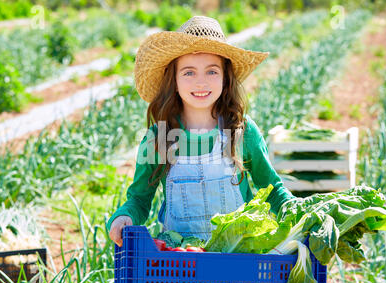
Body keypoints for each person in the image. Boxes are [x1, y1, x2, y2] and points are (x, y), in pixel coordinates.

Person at [108, 16, 295, 246]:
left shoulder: (242, 132)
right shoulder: (159, 138)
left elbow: (273, 189)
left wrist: (296, 212)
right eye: (188, 72)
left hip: (239, 260)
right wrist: (124, 216)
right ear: (173, 79)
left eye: (212, 72)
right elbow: (139, 198)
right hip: (181, 265)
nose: (200, 82)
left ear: (226, 78)